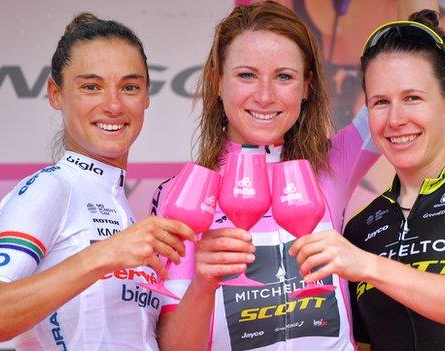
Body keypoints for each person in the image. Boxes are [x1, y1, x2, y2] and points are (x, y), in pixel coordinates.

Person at [290, 10, 445, 350]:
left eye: (412, 98)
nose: (395, 119)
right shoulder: (360, 229)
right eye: (380, 102)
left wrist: (369, 266)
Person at [152, 1, 383, 350]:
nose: (264, 96)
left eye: (284, 77)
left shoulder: (334, 161)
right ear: (217, 82)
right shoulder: (181, 196)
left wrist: (423, 23)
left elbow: (404, 80)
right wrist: (203, 282)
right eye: (246, 75)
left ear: (307, 86)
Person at [0, 13, 195, 350]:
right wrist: (103, 255)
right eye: (91, 87)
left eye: (129, 87)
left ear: (146, 96)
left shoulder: (121, 207)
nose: (113, 105)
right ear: (56, 94)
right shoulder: (51, 189)